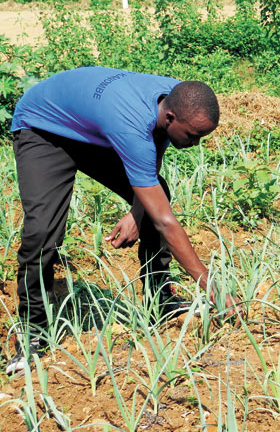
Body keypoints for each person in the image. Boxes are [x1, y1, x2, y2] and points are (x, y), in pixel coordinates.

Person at [8, 66, 241, 375]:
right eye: (193, 136)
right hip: (44, 127)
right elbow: (165, 221)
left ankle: (160, 301)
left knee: (156, 197)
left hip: (92, 125)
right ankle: (33, 330)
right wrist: (211, 288)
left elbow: (153, 152)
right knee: (42, 231)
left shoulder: (175, 97)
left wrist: (136, 210)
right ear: (170, 118)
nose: (196, 144)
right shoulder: (131, 122)